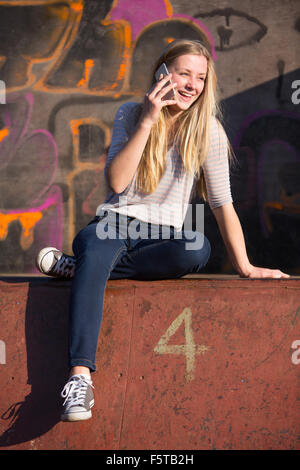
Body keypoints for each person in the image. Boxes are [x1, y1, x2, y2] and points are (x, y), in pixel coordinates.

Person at [36, 39, 289, 422]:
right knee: (98, 244)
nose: (191, 84)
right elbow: (118, 183)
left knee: (196, 248)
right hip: (114, 223)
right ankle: (80, 377)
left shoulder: (209, 132)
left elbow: (222, 205)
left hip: (164, 235)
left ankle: (82, 267)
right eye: (184, 73)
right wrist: (149, 120)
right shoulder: (131, 113)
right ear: (162, 72)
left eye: (200, 77)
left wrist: (247, 266)